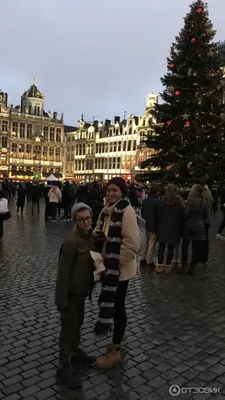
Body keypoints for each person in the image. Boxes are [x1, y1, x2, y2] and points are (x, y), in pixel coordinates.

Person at [94, 177, 140, 369]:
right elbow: (98, 229)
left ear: (122, 192)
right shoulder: (106, 209)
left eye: (115, 190)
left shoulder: (126, 211)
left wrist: (114, 261)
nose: (111, 193)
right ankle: (118, 334)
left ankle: (115, 347)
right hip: (107, 267)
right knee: (113, 303)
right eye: (109, 190)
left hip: (119, 270)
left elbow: (133, 244)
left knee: (118, 307)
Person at [55, 203, 96, 388]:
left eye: (88, 218)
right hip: (71, 293)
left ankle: (75, 352)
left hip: (82, 291)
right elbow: (62, 273)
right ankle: (63, 368)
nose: (86, 222)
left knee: (78, 322)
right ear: (75, 221)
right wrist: (61, 299)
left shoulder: (90, 237)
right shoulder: (71, 242)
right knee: (68, 328)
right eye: (81, 219)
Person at [177, 184, 208, 276]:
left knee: (185, 246)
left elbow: (187, 213)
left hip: (189, 226)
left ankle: (184, 264)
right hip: (200, 227)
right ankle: (192, 266)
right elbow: (205, 215)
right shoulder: (203, 201)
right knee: (196, 248)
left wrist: (183, 206)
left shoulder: (191, 200)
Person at [156, 185, 185, 274]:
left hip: (163, 228)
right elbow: (181, 220)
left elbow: (158, 217)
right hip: (174, 229)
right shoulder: (179, 205)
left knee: (161, 247)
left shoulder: (161, 204)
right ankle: (168, 266)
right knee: (170, 248)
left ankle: (160, 266)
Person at [140, 184, 159, 267]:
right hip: (154, 225)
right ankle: (149, 260)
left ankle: (143, 258)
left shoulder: (145, 201)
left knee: (146, 242)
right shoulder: (158, 202)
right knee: (152, 243)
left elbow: (142, 212)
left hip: (145, 223)